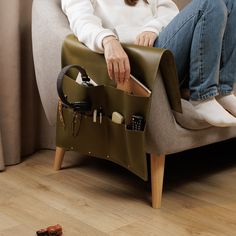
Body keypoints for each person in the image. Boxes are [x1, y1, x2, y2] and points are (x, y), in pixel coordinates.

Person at [61, 0, 236, 127]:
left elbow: (171, 14)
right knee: (209, 4)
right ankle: (203, 97)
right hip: (139, 59)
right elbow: (81, 22)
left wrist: (152, 28)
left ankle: (222, 89)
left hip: (163, 48)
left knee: (230, 3)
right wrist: (108, 40)